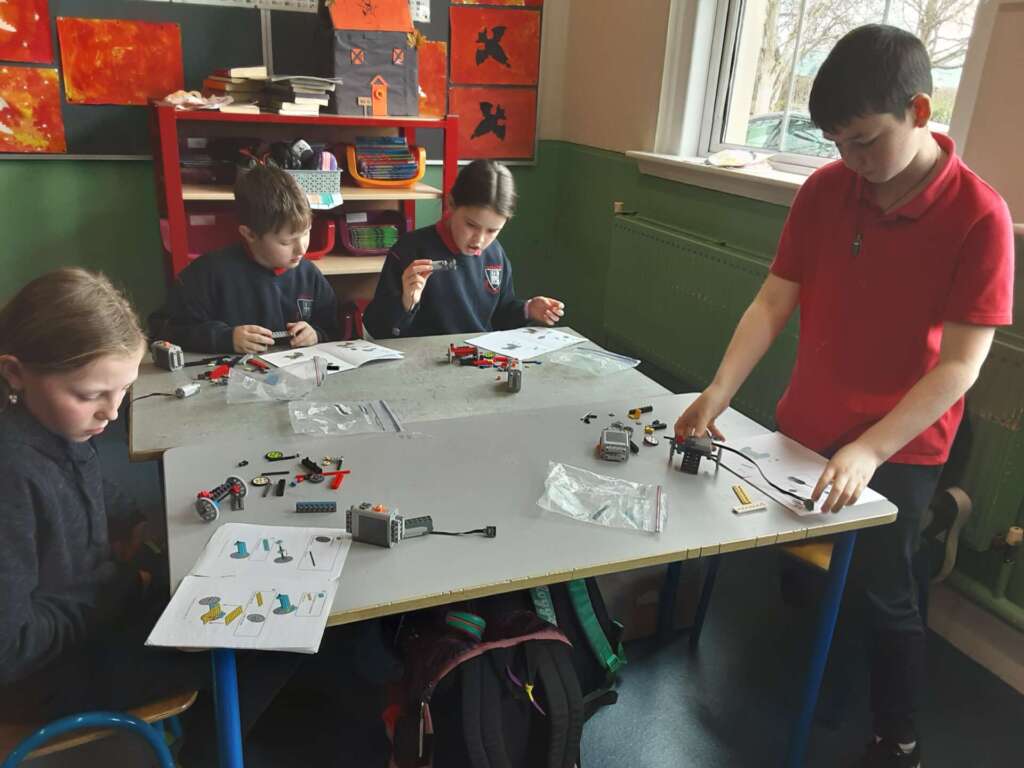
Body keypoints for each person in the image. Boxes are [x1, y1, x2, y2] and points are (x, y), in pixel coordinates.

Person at [674, 25, 1014, 768]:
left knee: (885, 595)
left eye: (864, 140)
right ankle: (821, 672)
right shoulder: (826, 190)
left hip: (901, 445)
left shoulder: (980, 216)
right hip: (808, 423)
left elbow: (961, 366)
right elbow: (772, 301)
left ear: (919, 111)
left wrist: (869, 448)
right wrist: (717, 392)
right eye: (836, 143)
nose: (851, 160)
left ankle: (898, 736)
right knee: (802, 567)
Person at [0, 268, 300, 765]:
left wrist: (137, 521)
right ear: (15, 373)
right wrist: (123, 587)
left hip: (94, 611)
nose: (111, 413)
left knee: (242, 598)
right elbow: (10, 648)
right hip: (47, 674)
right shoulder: (11, 473)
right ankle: (204, 754)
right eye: (90, 395)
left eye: (123, 390)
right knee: (264, 637)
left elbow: (92, 482)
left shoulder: (54, 426)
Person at [363, 159, 565, 338]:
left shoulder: (495, 254)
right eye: (471, 225)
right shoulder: (410, 250)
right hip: (423, 361)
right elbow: (377, 329)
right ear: (451, 204)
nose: (479, 240)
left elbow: (500, 315)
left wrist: (528, 309)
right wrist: (405, 302)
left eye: (492, 230)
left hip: (478, 359)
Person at [150, 164, 339, 353]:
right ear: (249, 234)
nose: (302, 248)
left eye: (306, 233)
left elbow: (333, 327)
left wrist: (317, 334)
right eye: (286, 242)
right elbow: (163, 330)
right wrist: (226, 338)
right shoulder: (207, 274)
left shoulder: (310, 276)